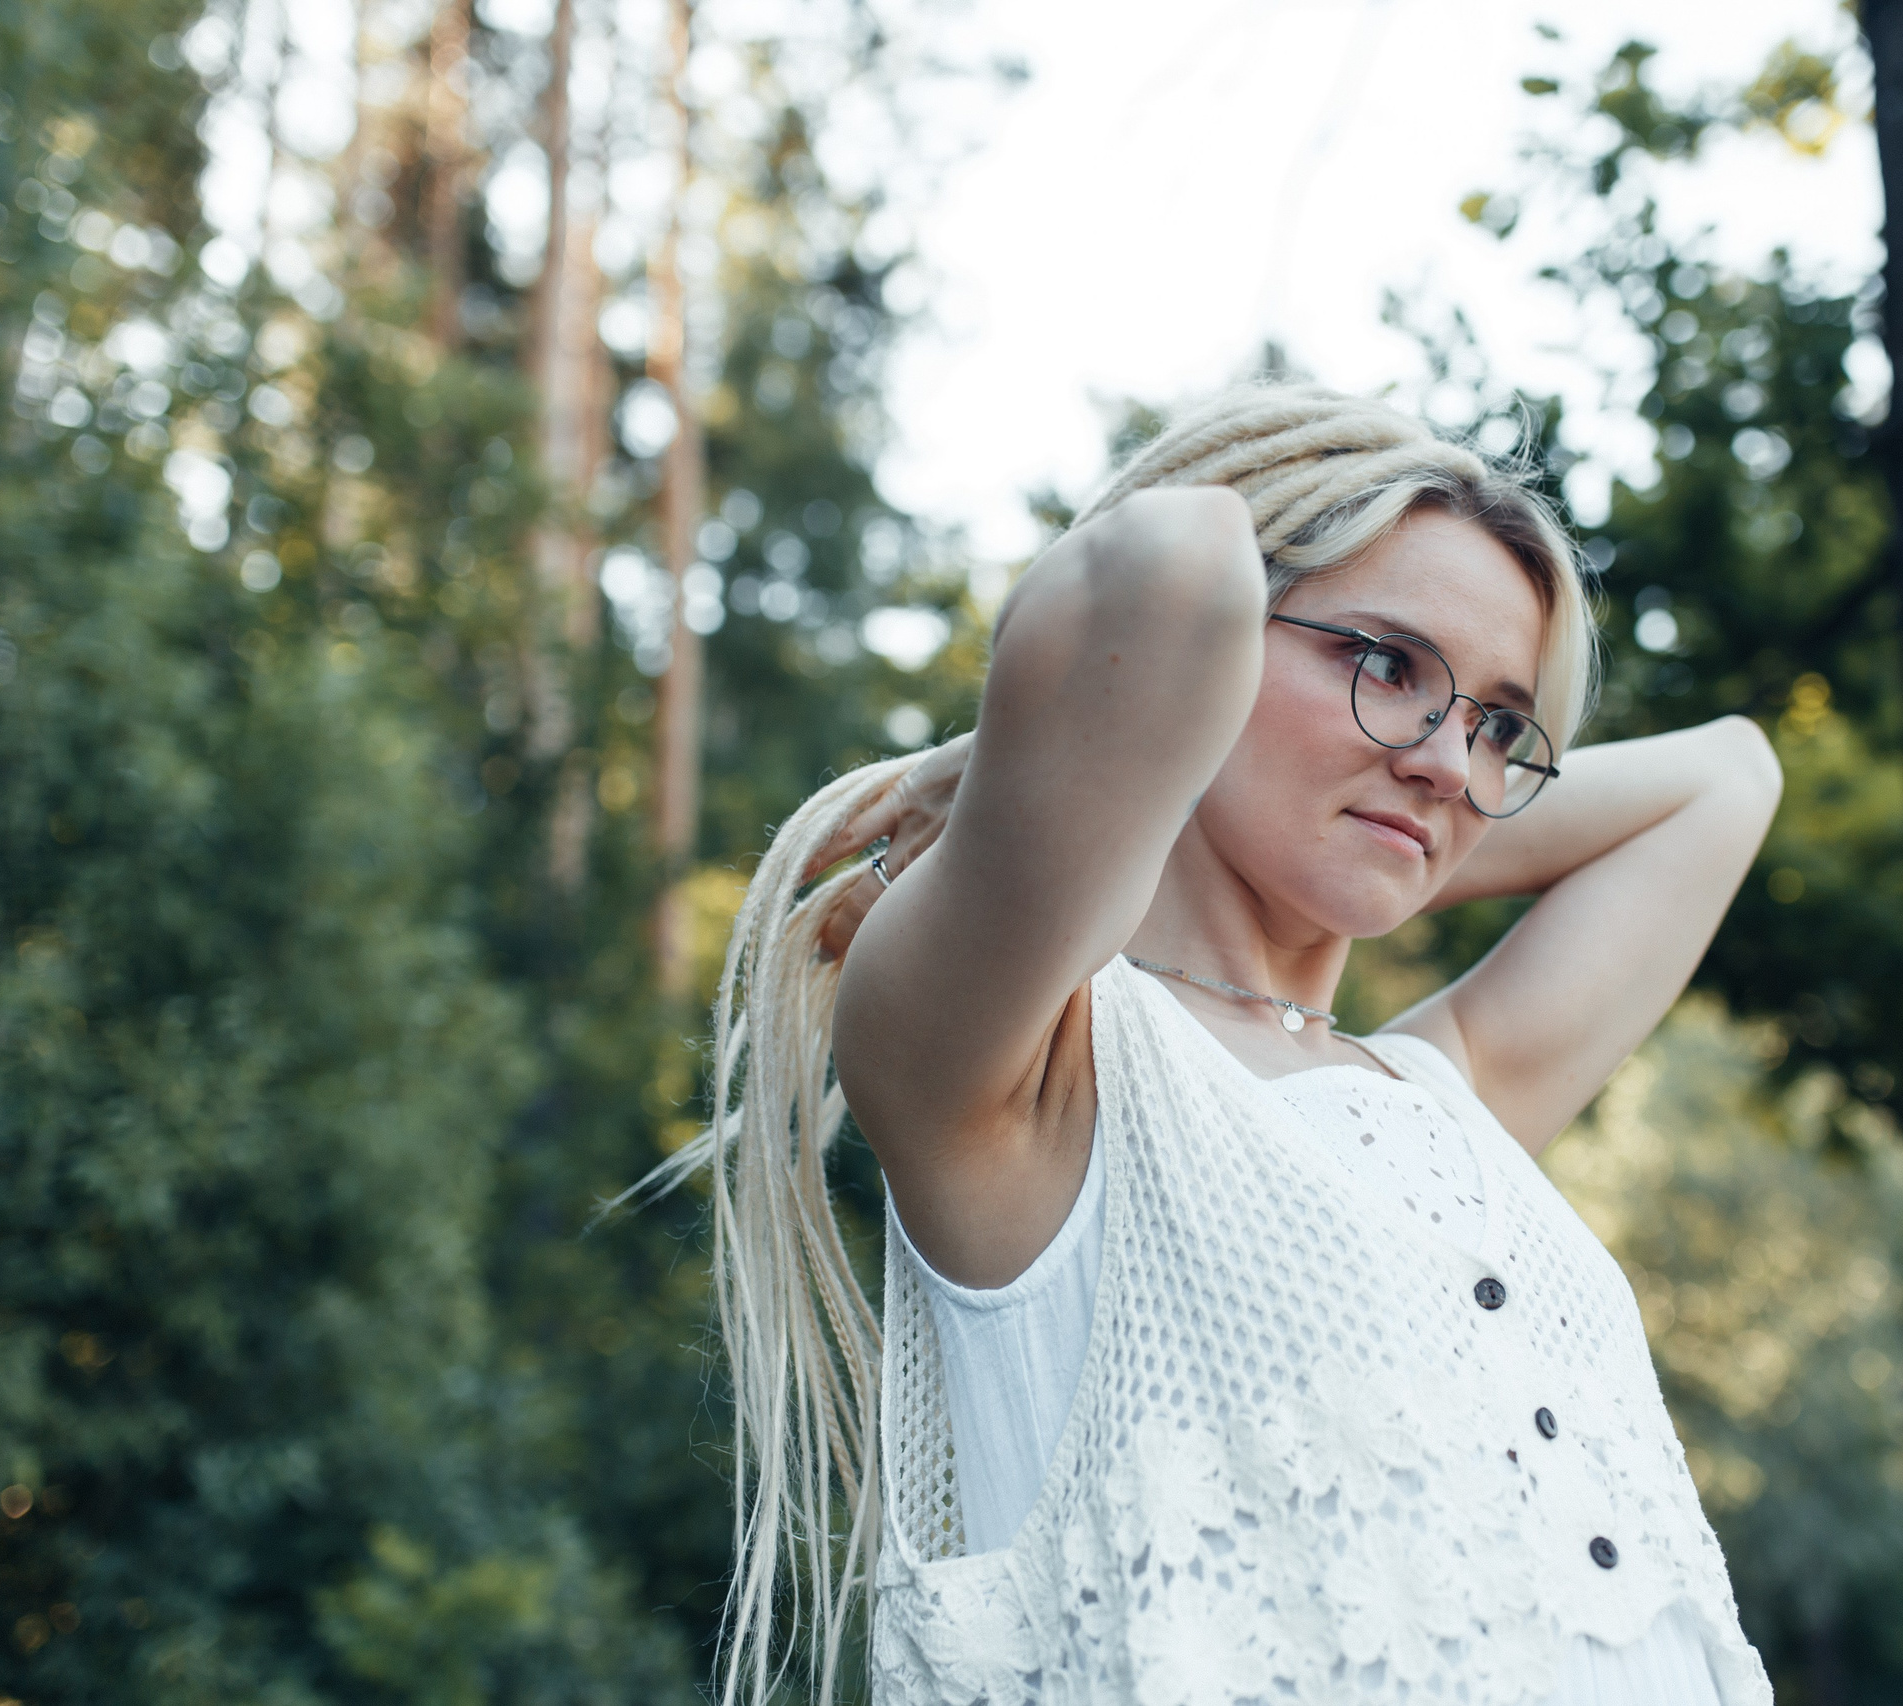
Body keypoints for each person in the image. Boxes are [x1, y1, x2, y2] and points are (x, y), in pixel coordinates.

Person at [646, 385, 1784, 1704]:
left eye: (1496, 725)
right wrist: (1053, 752)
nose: (1449, 762)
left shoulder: (1448, 1083)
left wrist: (1372, 806)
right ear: (1225, 651)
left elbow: (1731, 777)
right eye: (1388, 665)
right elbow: (1169, 561)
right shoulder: (1026, 1073)